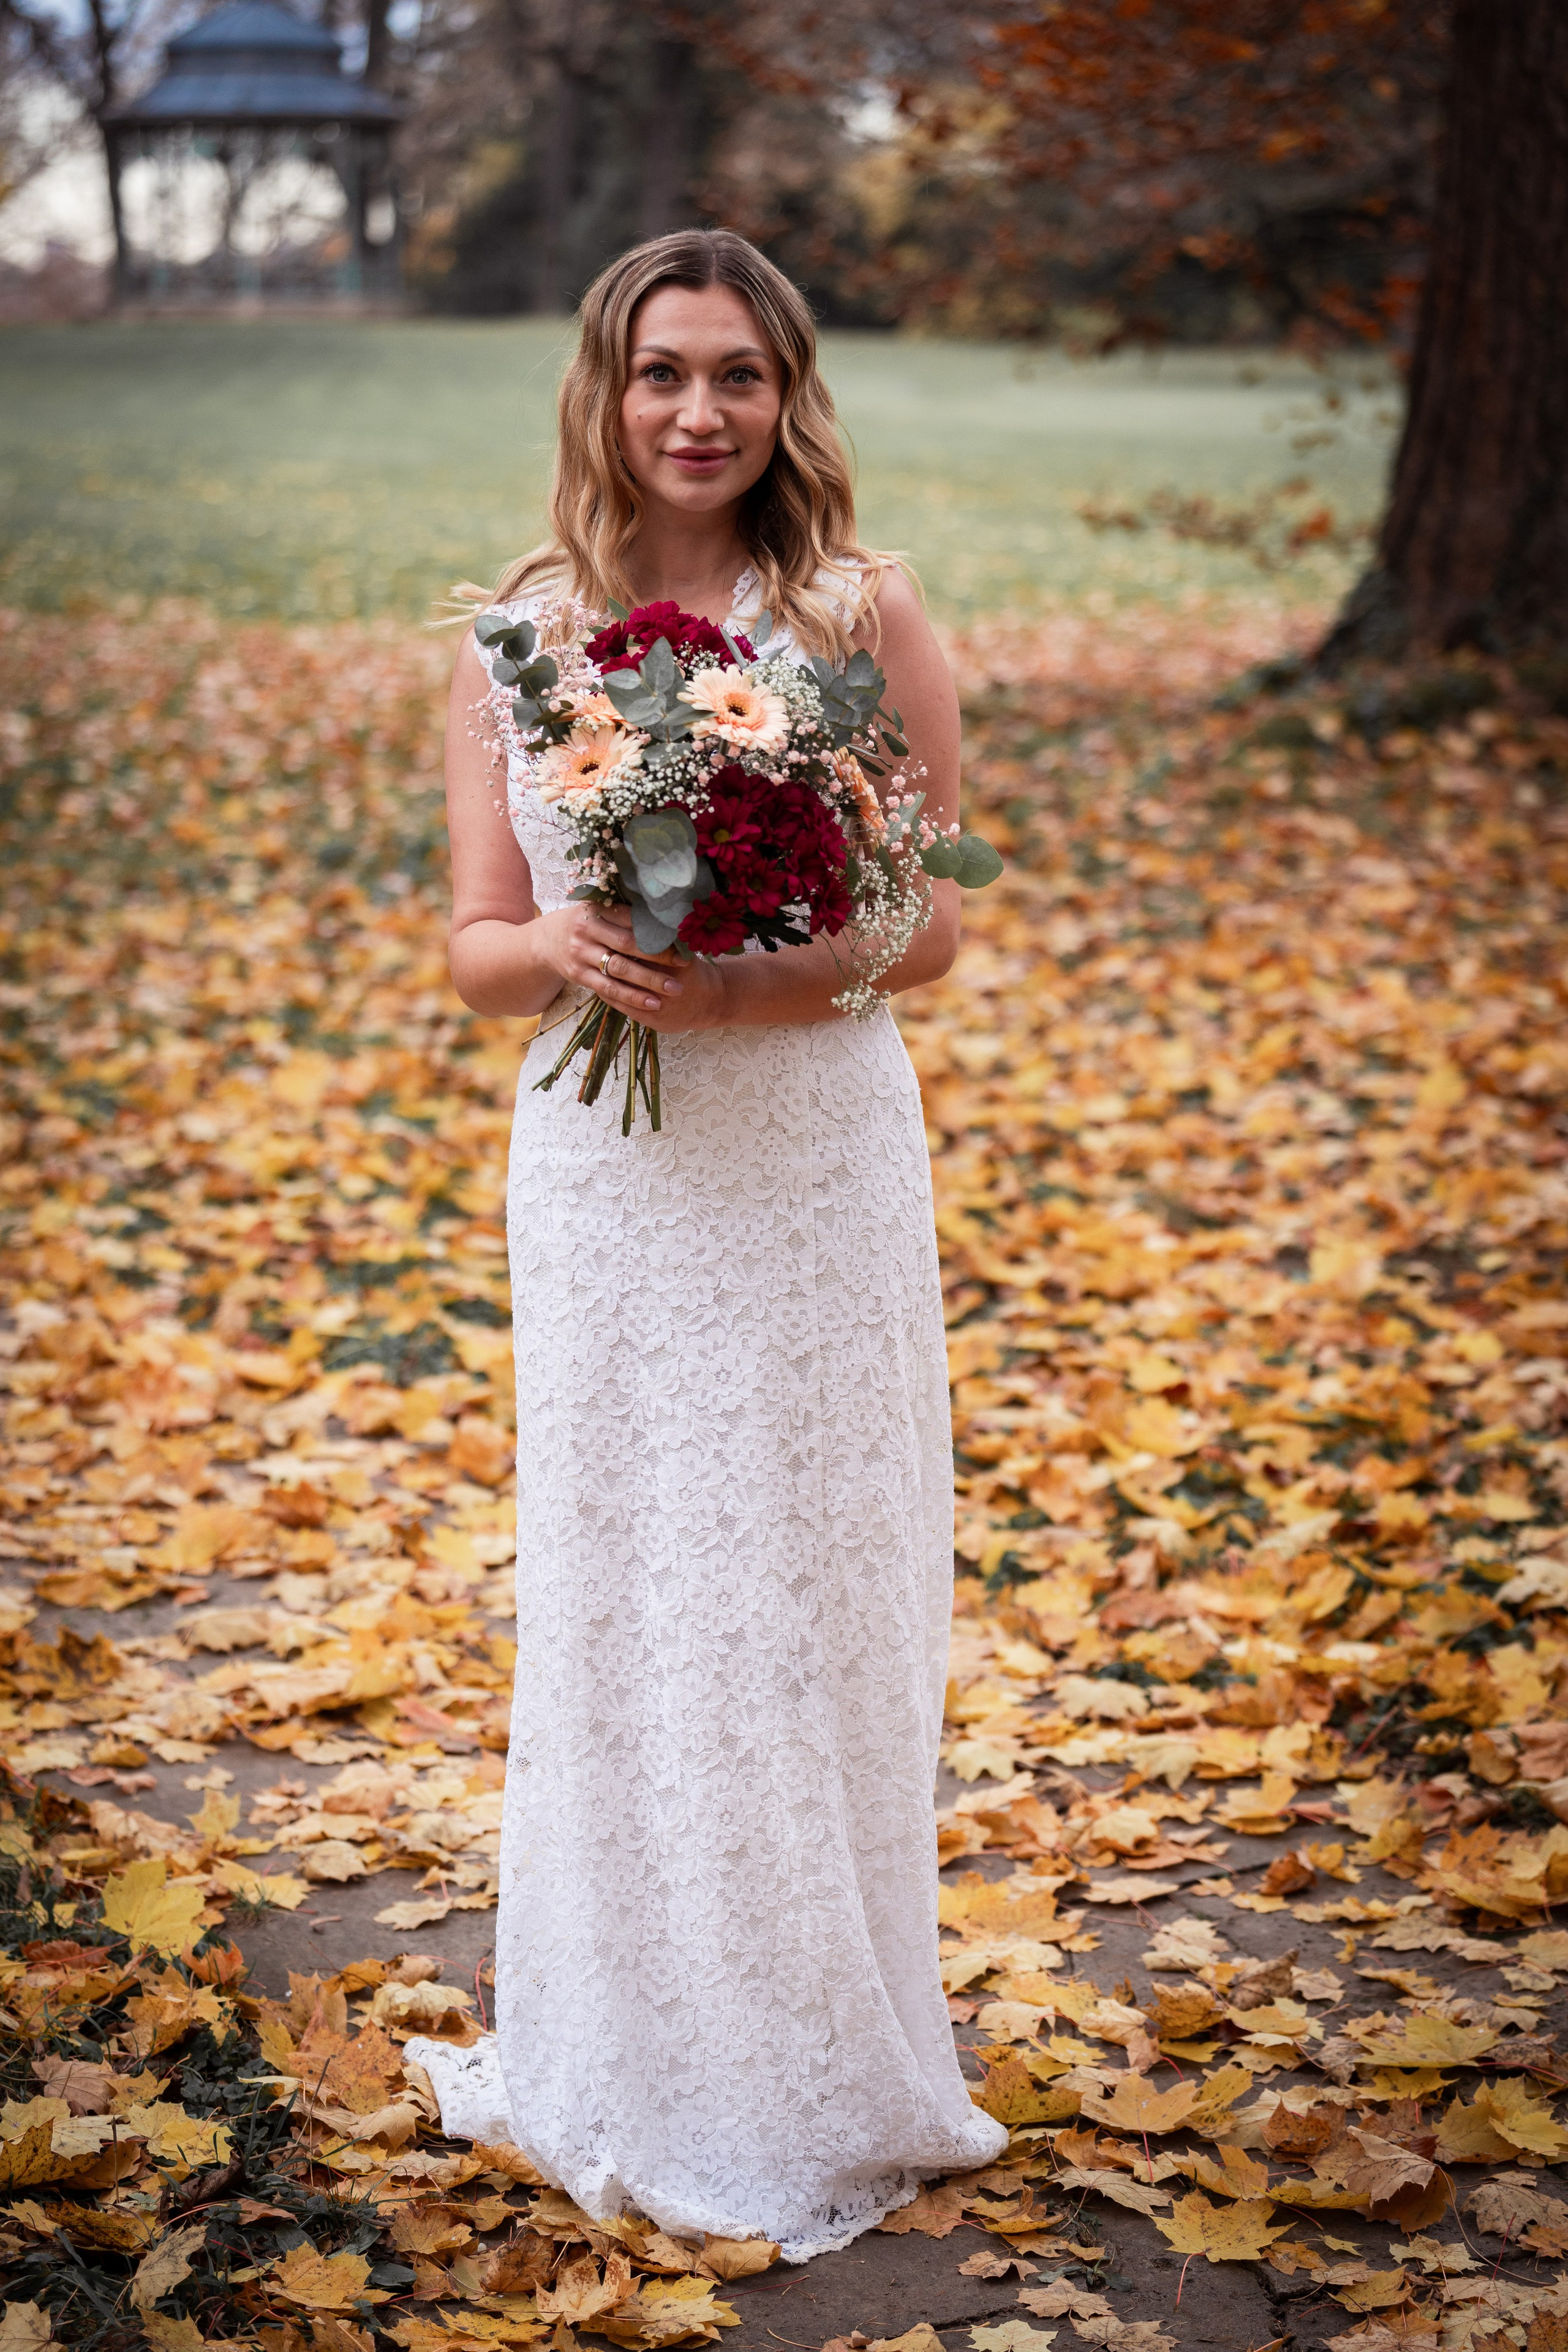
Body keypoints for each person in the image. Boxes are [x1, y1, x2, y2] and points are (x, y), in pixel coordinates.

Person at [413, 227, 1006, 2263]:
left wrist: (765, 989)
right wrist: (568, 949)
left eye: (739, 374)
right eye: (664, 370)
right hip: (611, 1166)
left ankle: (823, 2054)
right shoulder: (523, 629)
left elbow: (927, 917)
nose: (699, 410)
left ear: (787, 393)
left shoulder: (860, 611)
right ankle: (626, 2035)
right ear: (605, 387)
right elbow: (480, 948)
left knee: (805, 1582)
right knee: (642, 1580)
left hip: (817, 1151)